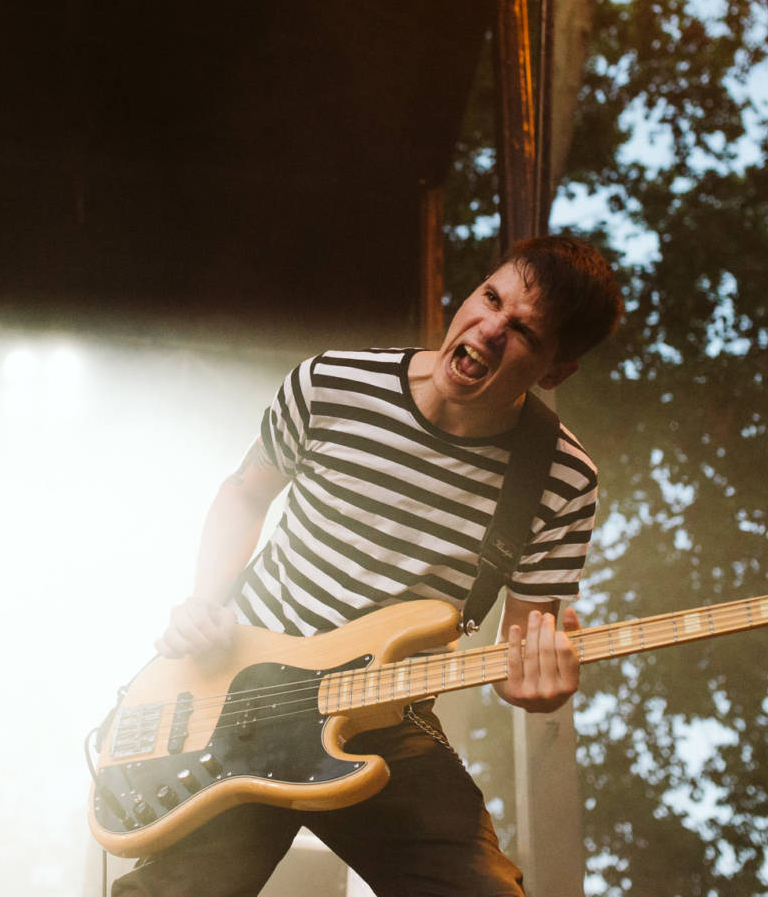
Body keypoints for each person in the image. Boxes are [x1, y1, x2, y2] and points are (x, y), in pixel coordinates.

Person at [114, 234, 623, 897]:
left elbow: (521, 652)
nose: (491, 329)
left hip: (384, 716)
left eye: (524, 331)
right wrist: (204, 600)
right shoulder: (331, 382)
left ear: (554, 372)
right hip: (240, 692)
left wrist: (542, 687)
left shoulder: (562, 477)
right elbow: (244, 494)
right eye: (491, 298)